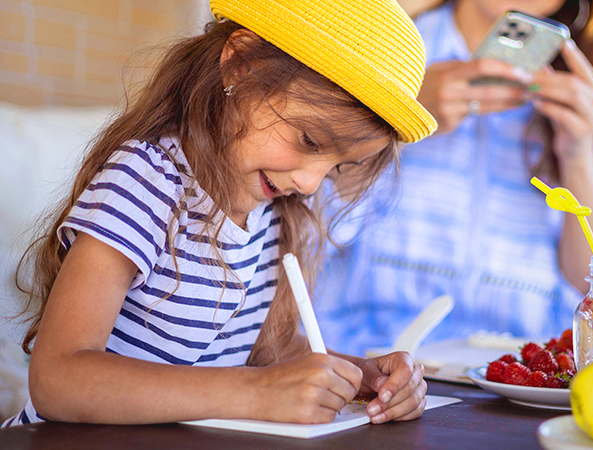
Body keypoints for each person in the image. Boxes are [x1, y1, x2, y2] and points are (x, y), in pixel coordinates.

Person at [2, 0, 439, 427]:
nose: (309, 184)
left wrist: (358, 375)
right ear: (241, 64)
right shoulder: (147, 180)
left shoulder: (273, 210)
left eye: (338, 167)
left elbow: (260, 353)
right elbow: (57, 380)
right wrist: (256, 393)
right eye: (308, 141)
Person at [315, 0, 593, 356]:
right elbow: (304, 222)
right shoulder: (373, 47)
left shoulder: (588, 90)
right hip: (366, 355)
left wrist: (578, 155)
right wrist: (390, 124)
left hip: (523, 371)